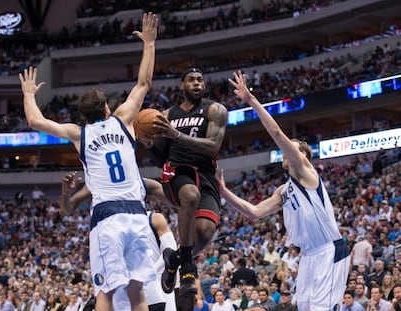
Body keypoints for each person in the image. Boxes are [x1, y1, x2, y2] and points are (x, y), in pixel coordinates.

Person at [20, 12, 159, 311]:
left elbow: (34, 120)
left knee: (105, 293)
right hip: (137, 213)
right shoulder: (123, 120)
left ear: (85, 115)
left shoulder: (78, 134)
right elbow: (144, 82)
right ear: (108, 108)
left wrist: (29, 93)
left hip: (107, 216)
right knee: (138, 292)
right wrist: (149, 43)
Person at [218, 70, 350, 310]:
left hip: (329, 249)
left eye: (295, 147)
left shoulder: (307, 172)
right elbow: (254, 212)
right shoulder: (283, 190)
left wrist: (251, 100)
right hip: (309, 255)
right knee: (305, 307)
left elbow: (277, 133)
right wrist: (225, 192)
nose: (289, 149)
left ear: (303, 156)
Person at [150, 68, 228, 297]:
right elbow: (158, 157)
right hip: (175, 172)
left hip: (205, 175)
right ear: (182, 85)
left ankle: (173, 259)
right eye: (191, 80)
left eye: (200, 80)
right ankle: (187, 267)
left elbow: (213, 146)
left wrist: (178, 136)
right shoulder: (167, 114)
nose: (196, 84)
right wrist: (150, 143)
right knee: (190, 195)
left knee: (204, 233)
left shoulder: (215, 110)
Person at [61, 172, 177, 311]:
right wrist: (66, 194)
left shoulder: (152, 214)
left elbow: (171, 249)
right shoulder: (95, 181)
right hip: (114, 277)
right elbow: (66, 209)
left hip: (148, 285)